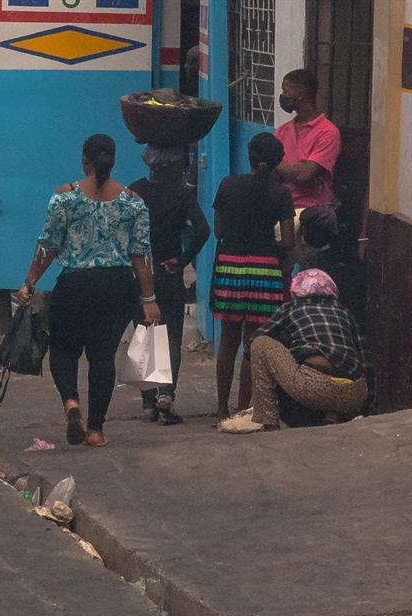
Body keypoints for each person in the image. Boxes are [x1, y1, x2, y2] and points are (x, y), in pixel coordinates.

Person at [12, 134, 158, 448]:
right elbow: (141, 255)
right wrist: (149, 299)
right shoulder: (133, 202)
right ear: (114, 161)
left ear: (85, 162)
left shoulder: (65, 198)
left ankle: (71, 404)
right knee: (103, 357)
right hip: (118, 287)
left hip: (75, 286)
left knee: (63, 351)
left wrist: (29, 283)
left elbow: (47, 246)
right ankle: (95, 430)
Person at [209, 132, 294, 420]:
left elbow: (219, 231)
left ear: (249, 157)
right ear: (277, 162)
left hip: (230, 268)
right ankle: (243, 409)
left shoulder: (228, 185)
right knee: (252, 343)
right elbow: (289, 243)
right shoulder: (281, 193)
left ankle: (221, 407)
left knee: (227, 342)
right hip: (265, 272)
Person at [220, 269, 369, 433]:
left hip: (314, 387)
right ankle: (333, 415)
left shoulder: (290, 307)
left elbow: (252, 342)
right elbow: (365, 360)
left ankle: (269, 422)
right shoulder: (345, 312)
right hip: (355, 394)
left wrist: (286, 352)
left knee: (261, 345)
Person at [127, 144, 210, 423]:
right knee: (171, 335)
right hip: (169, 273)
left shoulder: (135, 190)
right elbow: (203, 229)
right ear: (173, 167)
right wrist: (183, 259)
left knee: (145, 335)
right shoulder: (181, 194)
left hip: (140, 274)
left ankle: (148, 403)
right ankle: (166, 394)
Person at [274, 68, 340, 218]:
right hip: (282, 210)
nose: (283, 96)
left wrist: (274, 161)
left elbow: (305, 174)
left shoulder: (328, 132)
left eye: (286, 91)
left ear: (301, 94)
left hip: (313, 213)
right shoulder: (283, 131)